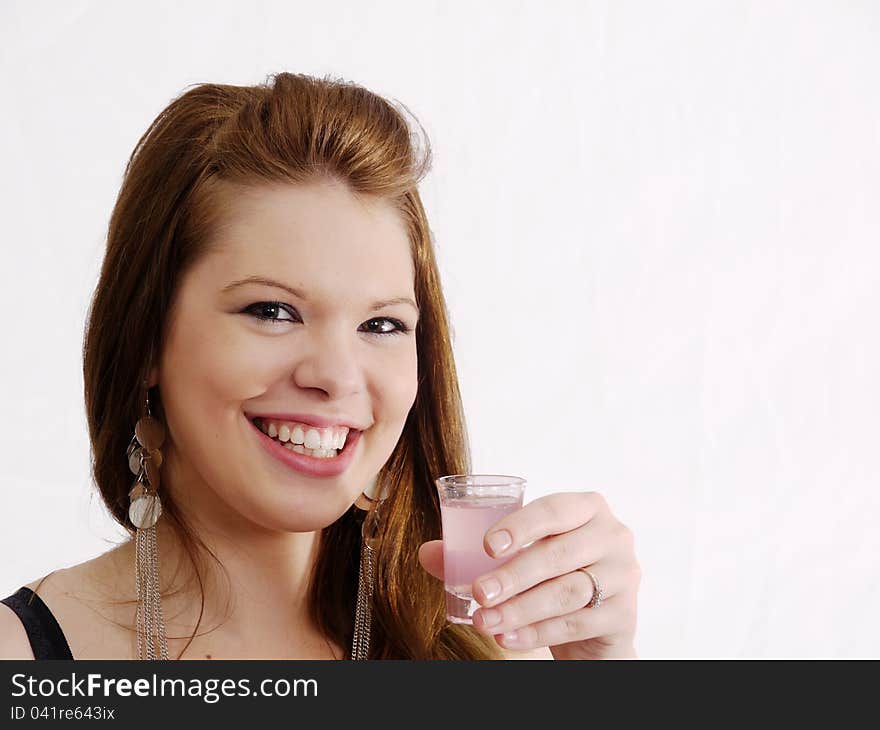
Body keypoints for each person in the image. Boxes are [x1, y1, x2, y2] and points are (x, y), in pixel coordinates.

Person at [0, 72, 641, 660]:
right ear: (145, 341)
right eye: (274, 311)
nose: (336, 376)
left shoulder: (468, 652)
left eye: (382, 324)